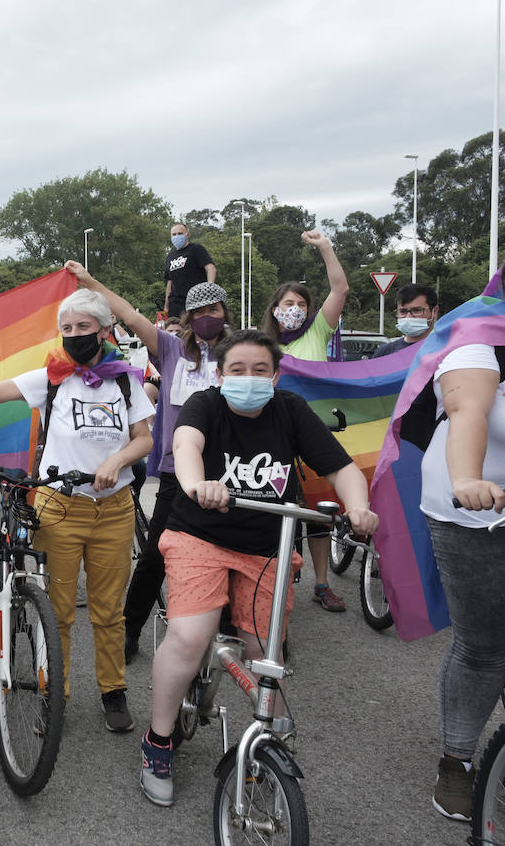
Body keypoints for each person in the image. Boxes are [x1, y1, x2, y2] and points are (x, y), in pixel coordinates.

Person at [138, 329, 376, 808]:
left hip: (267, 542)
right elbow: (186, 446)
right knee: (189, 636)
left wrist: (359, 506)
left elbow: (341, 468)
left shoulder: (290, 410)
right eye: (237, 370)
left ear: (276, 375)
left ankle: (272, 739)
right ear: (221, 375)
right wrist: (197, 484)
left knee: (263, 650)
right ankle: (158, 741)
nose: (249, 379)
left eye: (260, 370)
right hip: (199, 536)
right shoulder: (206, 405)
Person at [0, 288, 154, 733]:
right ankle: (51, 695)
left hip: (115, 509)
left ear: (104, 330)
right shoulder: (52, 377)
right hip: (60, 508)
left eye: (84, 327)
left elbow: (144, 438)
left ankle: (113, 691)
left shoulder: (125, 379)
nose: (75, 335)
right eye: (67, 328)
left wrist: (116, 461)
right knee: (56, 611)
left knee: (108, 610)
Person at [67, 262, 233, 664]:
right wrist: (91, 283)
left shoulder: (238, 350)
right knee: (156, 556)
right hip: (180, 473)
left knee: (229, 552)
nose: (206, 319)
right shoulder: (172, 349)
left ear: (226, 314)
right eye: (198, 313)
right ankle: (131, 628)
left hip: (229, 471)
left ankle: (233, 632)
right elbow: (130, 315)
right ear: (189, 319)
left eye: (214, 311)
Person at [418, 337, 505, 822]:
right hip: (474, 514)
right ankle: (458, 760)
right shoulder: (477, 341)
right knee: (484, 645)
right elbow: (467, 409)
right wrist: (467, 478)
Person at [259, 229, 351, 612]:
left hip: (314, 433)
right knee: (273, 507)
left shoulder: (317, 329)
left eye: (299, 302)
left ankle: (321, 583)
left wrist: (326, 248)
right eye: (286, 302)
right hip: (272, 432)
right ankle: (270, 580)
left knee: (318, 511)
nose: (293, 307)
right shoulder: (262, 342)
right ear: (275, 308)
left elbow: (340, 290)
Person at [163, 224, 217, 320]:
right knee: (177, 332)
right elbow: (169, 282)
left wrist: (209, 290)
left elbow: (211, 268)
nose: (177, 236)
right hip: (175, 303)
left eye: (180, 233)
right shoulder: (170, 256)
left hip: (196, 299)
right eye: (174, 234)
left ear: (187, 235)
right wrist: (166, 305)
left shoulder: (196, 249)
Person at [373, 283, 440, 358]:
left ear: (434, 311)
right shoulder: (384, 352)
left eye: (417, 310)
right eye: (403, 311)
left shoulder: (446, 349)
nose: (409, 317)